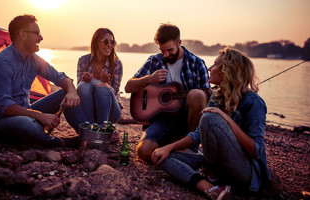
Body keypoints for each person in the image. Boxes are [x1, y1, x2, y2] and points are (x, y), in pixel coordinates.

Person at [151, 47, 270, 200]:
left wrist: (226, 119)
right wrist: (168, 147)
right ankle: (211, 188)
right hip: (218, 163)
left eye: (215, 65)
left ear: (227, 71)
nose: (209, 68)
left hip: (245, 171)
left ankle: (211, 177)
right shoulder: (217, 97)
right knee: (162, 157)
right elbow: (197, 134)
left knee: (209, 117)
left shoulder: (253, 102)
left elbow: (256, 150)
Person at [0, 14, 83, 147]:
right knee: (26, 124)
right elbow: (3, 106)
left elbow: (60, 77)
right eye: (37, 33)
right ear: (22, 35)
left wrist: (71, 91)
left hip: (26, 112)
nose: (41, 38)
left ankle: (85, 136)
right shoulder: (2, 62)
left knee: (67, 92)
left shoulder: (33, 59)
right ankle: (61, 143)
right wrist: (40, 116)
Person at [125, 24, 210, 162]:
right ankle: (174, 148)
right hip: (161, 119)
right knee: (144, 152)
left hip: (188, 121)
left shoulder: (197, 63)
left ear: (179, 43)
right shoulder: (155, 60)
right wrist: (149, 78)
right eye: (162, 50)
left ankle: (189, 146)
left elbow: (207, 102)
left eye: (170, 50)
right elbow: (128, 87)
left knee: (198, 95)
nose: (166, 55)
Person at [76, 28, 122, 125]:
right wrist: (85, 81)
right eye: (106, 42)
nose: (110, 45)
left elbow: (115, 91)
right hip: (89, 108)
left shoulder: (117, 64)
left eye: (112, 42)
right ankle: (91, 128)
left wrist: (107, 85)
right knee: (83, 86)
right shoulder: (83, 61)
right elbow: (79, 90)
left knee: (102, 88)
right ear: (96, 42)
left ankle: (101, 128)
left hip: (111, 111)